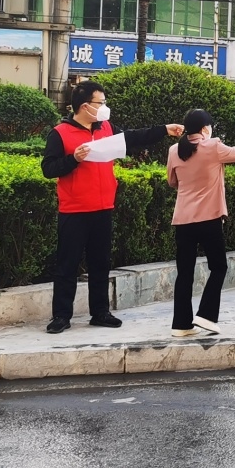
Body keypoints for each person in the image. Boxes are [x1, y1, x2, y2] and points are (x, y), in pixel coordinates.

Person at [41, 80, 183, 335]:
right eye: (101, 102)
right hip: (74, 210)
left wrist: (164, 129)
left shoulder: (106, 128)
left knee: (100, 263)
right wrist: (73, 159)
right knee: (67, 265)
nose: (104, 107)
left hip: (103, 207)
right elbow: (48, 169)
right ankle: (61, 316)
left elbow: (133, 137)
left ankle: (100, 312)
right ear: (85, 106)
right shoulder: (60, 133)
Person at [167, 109, 235, 337]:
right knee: (218, 267)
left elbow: (173, 182)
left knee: (184, 273)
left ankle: (181, 325)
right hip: (209, 219)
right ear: (204, 129)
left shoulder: (174, 150)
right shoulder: (212, 147)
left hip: (183, 220)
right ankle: (206, 315)